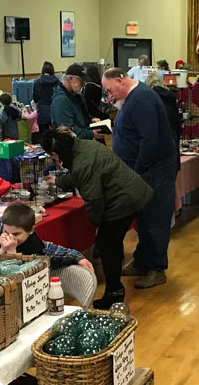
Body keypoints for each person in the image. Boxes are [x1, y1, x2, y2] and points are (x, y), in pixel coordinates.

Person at [42, 128, 153, 308]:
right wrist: (59, 181)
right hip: (132, 191)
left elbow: (93, 199)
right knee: (112, 242)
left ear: (56, 153)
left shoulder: (82, 162)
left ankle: (114, 293)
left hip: (124, 200)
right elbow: (78, 174)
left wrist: (96, 224)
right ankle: (115, 287)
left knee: (106, 243)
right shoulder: (83, 146)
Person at [102, 67, 178, 289]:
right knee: (144, 219)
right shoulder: (134, 98)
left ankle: (156, 268)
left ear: (120, 80)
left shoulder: (142, 99)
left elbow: (150, 140)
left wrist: (137, 170)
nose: (110, 96)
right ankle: (143, 261)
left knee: (156, 220)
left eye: (110, 90)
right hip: (144, 170)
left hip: (153, 170)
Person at [0, 202, 93, 272]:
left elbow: (19, 274)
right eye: (6, 232)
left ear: (30, 230)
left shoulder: (34, 244)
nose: (10, 238)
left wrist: (12, 252)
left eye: (16, 234)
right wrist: (2, 249)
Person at [51, 65, 100, 140]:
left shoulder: (76, 95)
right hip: (71, 145)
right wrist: (91, 133)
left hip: (81, 142)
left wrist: (90, 120)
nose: (83, 84)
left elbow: (80, 117)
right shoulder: (61, 100)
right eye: (81, 81)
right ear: (70, 79)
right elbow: (68, 131)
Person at [145, 72, 181, 148]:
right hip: (172, 136)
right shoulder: (171, 97)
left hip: (157, 139)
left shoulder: (148, 97)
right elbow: (177, 121)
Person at [32, 61, 59, 136]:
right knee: (57, 135)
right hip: (55, 110)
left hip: (42, 111)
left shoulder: (37, 82)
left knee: (44, 135)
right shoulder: (57, 81)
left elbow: (35, 97)